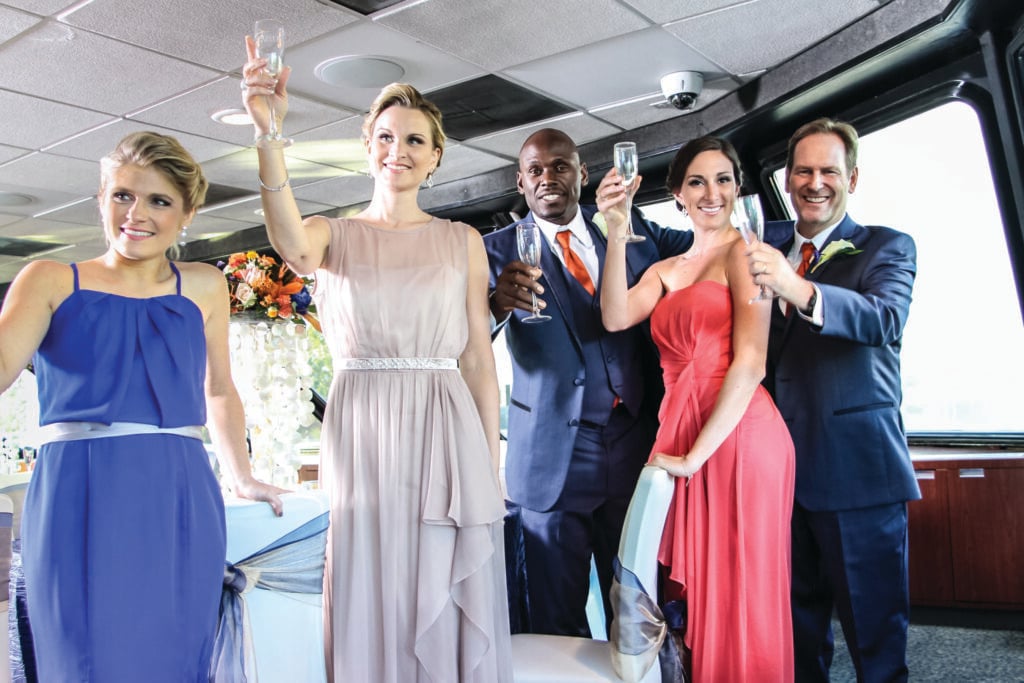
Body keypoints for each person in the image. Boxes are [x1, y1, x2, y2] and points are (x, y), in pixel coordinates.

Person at [241, 37, 511, 683]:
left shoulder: (462, 240)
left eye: (415, 140)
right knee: (370, 574)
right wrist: (268, 134)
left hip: (447, 430)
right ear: (368, 147)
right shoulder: (337, 235)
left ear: (436, 157)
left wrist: (490, 470)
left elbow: (477, 359)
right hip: (362, 430)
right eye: (387, 136)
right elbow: (287, 240)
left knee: (440, 573)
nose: (400, 150)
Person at [0, 130, 284, 682]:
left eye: (159, 200)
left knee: (174, 655)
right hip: (76, 491)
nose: (137, 214)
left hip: (179, 491)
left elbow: (219, 389)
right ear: (101, 199)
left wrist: (242, 476)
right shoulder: (50, 280)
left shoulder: (204, 286)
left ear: (187, 213)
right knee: (83, 658)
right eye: (123, 196)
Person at [600, 135, 795, 680]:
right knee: (694, 596)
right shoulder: (667, 269)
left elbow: (751, 363)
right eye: (696, 182)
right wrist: (617, 230)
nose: (712, 193)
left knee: (742, 588)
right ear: (676, 194)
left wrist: (693, 458)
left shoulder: (747, 253)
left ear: (737, 187)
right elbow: (615, 316)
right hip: (679, 431)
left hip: (739, 435)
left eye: (724, 179)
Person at [484, 128, 692, 638]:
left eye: (560, 166)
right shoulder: (493, 252)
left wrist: (786, 238)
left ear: (582, 174)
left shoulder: (632, 231)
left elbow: (709, 246)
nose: (548, 178)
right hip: (549, 458)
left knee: (640, 611)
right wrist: (494, 307)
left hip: (631, 446)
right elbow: (457, 332)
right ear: (521, 182)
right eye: (536, 170)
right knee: (556, 619)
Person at [746, 117, 919, 682]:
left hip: (858, 479)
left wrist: (794, 286)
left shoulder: (887, 247)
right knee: (796, 643)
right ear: (787, 176)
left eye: (828, 171)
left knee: (876, 644)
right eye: (803, 170)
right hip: (777, 481)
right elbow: (691, 242)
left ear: (853, 179)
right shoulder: (758, 242)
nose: (814, 182)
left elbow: (882, 320)